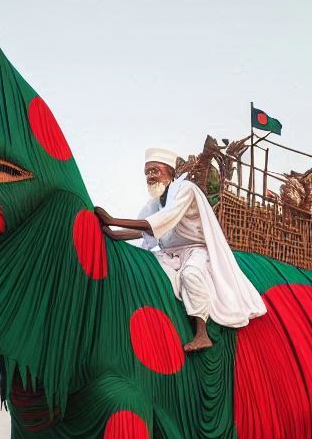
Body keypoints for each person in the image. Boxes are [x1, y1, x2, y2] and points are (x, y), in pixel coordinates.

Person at [94, 148, 266, 353]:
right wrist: (111, 233)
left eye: (155, 170)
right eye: (147, 172)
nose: (150, 176)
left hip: (195, 250)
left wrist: (113, 220)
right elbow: (143, 232)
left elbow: (160, 222)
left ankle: (202, 334)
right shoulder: (155, 202)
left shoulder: (185, 189)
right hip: (171, 253)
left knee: (191, 274)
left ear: (169, 172)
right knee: (147, 269)